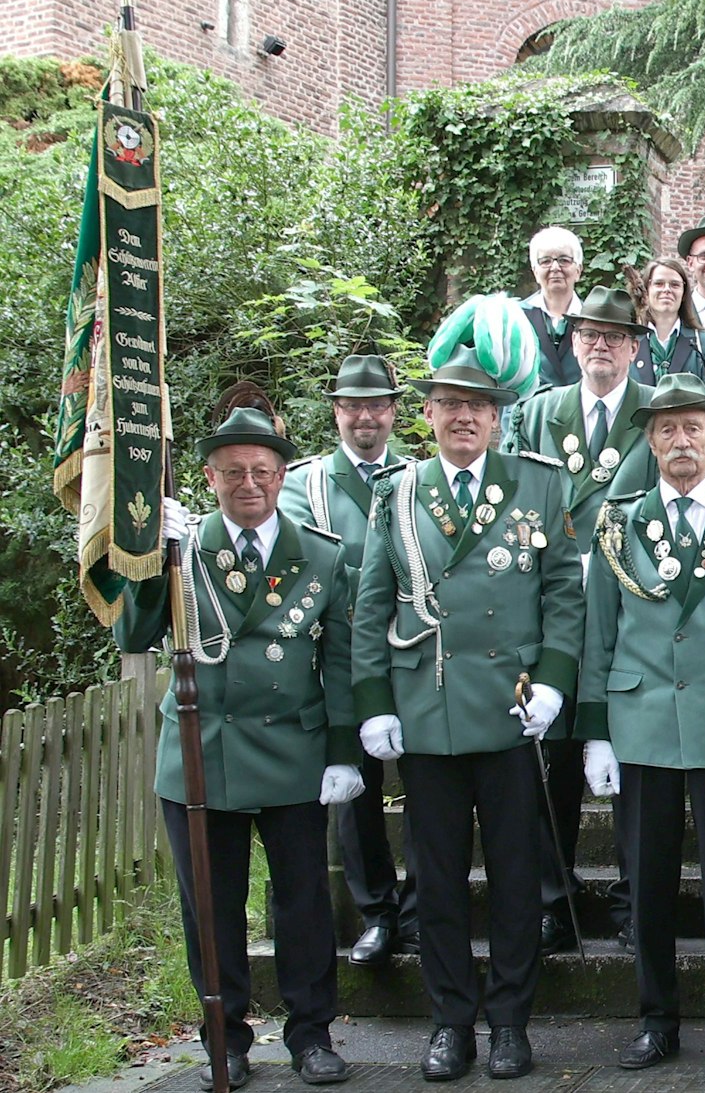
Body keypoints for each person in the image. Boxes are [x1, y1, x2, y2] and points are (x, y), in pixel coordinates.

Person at [351, 351, 585, 1081]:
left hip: (512, 710)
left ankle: (510, 1020)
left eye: (477, 405)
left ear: (496, 416)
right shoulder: (400, 492)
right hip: (429, 712)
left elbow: (564, 594)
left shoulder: (539, 485)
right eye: (449, 403)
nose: (463, 416)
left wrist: (553, 682)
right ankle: (452, 1021)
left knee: (517, 877)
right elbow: (370, 606)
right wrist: (373, 704)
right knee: (439, 877)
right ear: (427, 415)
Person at [118, 405, 360, 1089]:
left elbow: (339, 663)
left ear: (283, 474)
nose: (248, 483)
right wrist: (143, 558)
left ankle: (311, 1035)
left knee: (304, 903)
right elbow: (134, 636)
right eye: (233, 473)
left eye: (261, 470)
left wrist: (343, 749)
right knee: (212, 906)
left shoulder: (321, 553)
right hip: (204, 751)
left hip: (292, 751)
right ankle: (224, 1040)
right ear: (209, 477)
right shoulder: (180, 549)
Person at [576, 374, 705, 1070]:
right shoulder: (618, 521)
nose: (681, 440)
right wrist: (597, 730)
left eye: (694, 426)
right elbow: (598, 633)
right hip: (642, 722)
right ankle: (655, 1017)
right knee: (649, 880)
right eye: (666, 428)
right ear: (650, 440)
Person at [504, 283, 657, 954]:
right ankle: (549, 901)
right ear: (572, 342)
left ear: (633, 347)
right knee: (555, 752)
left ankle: (636, 901)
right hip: (554, 605)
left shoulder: (659, 412)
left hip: (633, 605)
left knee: (632, 756)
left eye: (615, 335)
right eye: (590, 332)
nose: (601, 343)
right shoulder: (540, 412)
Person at [277, 355, 417, 967]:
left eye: (377, 405)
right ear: (336, 411)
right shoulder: (303, 483)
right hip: (341, 660)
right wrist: (377, 581)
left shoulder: (419, 474)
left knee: (426, 786)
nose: (366, 416)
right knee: (356, 789)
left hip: (416, 655)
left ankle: (421, 908)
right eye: (354, 406)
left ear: (393, 412)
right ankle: (378, 913)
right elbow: (304, 566)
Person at [631, 258, 705, 387]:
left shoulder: (703, 344)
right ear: (646, 290)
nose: (667, 289)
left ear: (684, 293)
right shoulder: (630, 343)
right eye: (659, 283)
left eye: (675, 285)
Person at [522, 226, 584, 387]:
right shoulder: (517, 317)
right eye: (546, 261)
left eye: (564, 260)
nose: (555, 268)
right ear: (535, 271)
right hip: (530, 410)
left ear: (578, 270)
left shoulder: (592, 317)